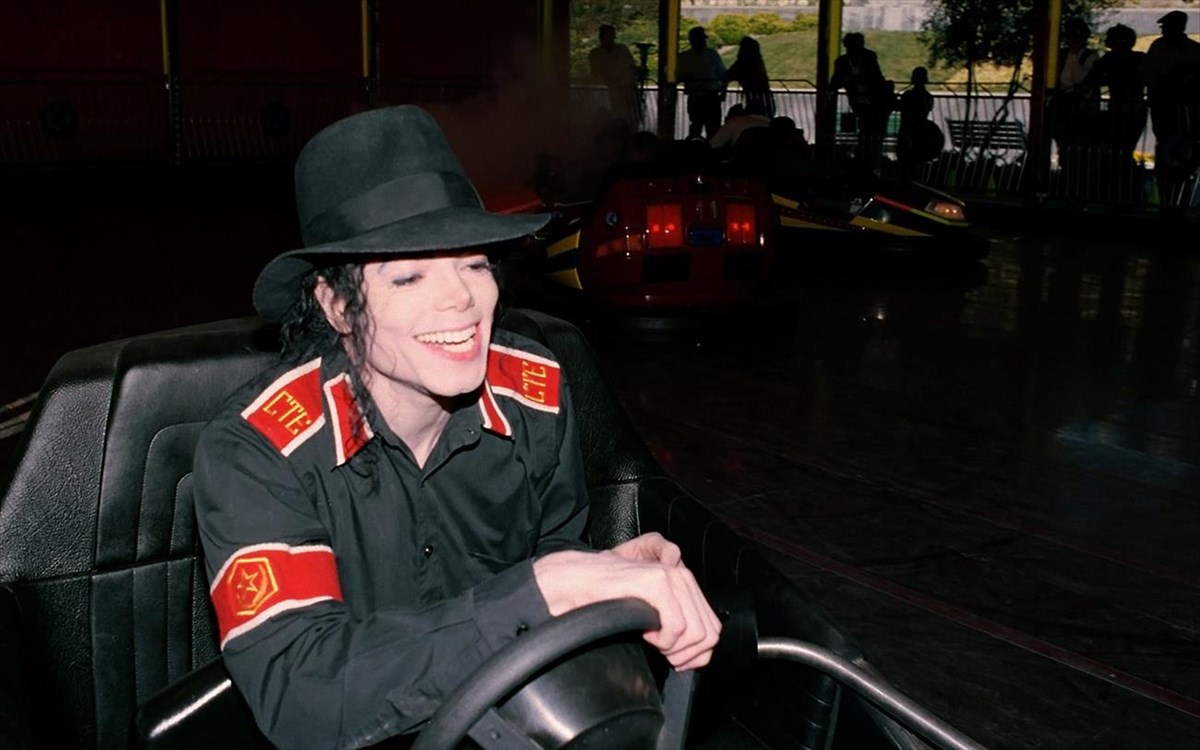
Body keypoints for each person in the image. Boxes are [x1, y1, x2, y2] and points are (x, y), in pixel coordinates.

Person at [192, 105, 721, 750]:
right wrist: (544, 591)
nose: (461, 299)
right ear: (337, 307)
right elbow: (302, 694)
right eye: (409, 276)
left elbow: (551, 555)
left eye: (474, 264)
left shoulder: (536, 394)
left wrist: (596, 574)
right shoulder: (256, 451)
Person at [1142, 9, 1200, 207]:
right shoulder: (1158, 47)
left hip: (1187, 113)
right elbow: (1148, 74)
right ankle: (1166, 198)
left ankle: (1182, 199)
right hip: (1163, 109)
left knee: (1186, 155)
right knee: (1165, 153)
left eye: (1167, 27)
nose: (1164, 30)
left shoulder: (1194, 50)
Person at [1086, 24, 1147, 200]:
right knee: (1124, 151)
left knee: (1117, 151)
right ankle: (1128, 191)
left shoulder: (1110, 59)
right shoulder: (1139, 58)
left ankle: (1116, 190)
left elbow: (1092, 79)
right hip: (1134, 110)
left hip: (1120, 110)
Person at [1051, 19, 1101, 193]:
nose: (1072, 41)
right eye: (1070, 37)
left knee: (1081, 148)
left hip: (1082, 108)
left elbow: (1083, 80)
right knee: (1064, 145)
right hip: (1063, 105)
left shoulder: (1090, 56)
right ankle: (1066, 178)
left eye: (1076, 37)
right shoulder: (1062, 55)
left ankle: (1081, 183)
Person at [829, 32, 893, 166]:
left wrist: (849, 81)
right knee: (869, 129)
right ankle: (869, 157)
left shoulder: (867, 57)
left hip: (876, 101)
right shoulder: (845, 61)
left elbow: (875, 79)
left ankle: (869, 157)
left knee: (871, 129)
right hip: (863, 101)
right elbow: (835, 82)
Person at [677, 26, 727, 139]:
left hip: (702, 96)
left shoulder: (685, 57)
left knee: (699, 126)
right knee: (709, 128)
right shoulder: (711, 55)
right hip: (708, 96)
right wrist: (723, 92)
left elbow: (677, 77)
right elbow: (723, 75)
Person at [588, 24, 640, 128]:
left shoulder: (622, 50)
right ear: (601, 36)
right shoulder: (595, 53)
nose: (609, 37)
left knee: (627, 117)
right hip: (605, 91)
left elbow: (630, 67)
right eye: (606, 34)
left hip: (625, 90)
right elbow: (596, 72)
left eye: (611, 34)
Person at [895, 66, 938, 180]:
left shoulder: (907, 95)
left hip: (907, 130)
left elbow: (900, 107)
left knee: (904, 159)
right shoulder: (927, 97)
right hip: (920, 132)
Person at [724, 36, 776, 118]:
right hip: (765, 98)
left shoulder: (742, 63)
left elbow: (727, 75)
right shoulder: (758, 62)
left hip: (752, 99)